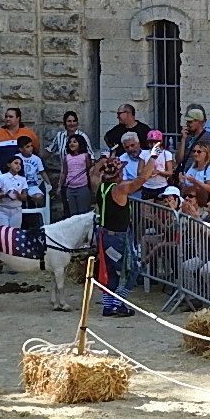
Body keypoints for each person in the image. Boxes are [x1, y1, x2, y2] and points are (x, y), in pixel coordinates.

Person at [96, 154, 155, 316]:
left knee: (111, 272)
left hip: (104, 235)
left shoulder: (101, 186)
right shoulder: (119, 189)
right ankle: (117, 304)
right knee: (130, 270)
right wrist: (153, 157)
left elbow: (93, 174)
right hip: (117, 237)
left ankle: (109, 306)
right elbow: (142, 179)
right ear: (118, 175)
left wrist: (102, 160)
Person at [0, 153, 33, 228]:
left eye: (20, 164)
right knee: (3, 232)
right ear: (9, 164)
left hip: (16, 210)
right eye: (16, 163)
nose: (18, 165)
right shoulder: (2, 178)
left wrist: (18, 195)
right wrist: (5, 194)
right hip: (3, 209)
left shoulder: (22, 179)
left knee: (14, 232)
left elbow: (25, 197)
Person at [61, 133, 95, 216]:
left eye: (75, 142)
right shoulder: (67, 157)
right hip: (70, 188)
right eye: (70, 142)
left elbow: (89, 171)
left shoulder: (85, 156)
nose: (72, 144)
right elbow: (64, 172)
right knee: (73, 213)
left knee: (83, 213)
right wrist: (60, 186)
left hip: (82, 187)